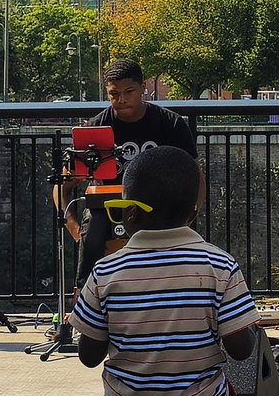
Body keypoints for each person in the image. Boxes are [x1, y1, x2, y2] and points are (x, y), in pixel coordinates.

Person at [70, 145, 259, 396]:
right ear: (193, 212)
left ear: (130, 213)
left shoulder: (105, 271)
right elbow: (241, 350)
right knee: (228, 395)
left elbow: (88, 356)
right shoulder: (220, 265)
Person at [55, 58, 198, 289]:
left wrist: (191, 214)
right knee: (92, 232)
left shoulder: (170, 124)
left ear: (143, 88)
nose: (121, 100)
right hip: (110, 207)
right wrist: (73, 228)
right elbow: (62, 184)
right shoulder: (95, 128)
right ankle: (86, 294)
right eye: (114, 94)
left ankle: (185, 291)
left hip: (160, 206)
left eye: (129, 91)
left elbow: (194, 175)